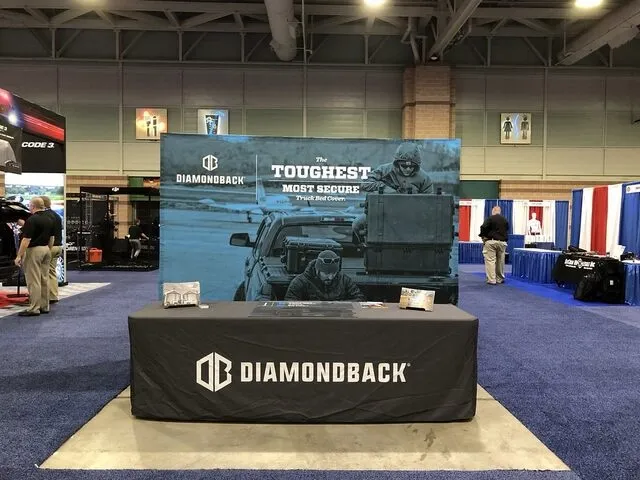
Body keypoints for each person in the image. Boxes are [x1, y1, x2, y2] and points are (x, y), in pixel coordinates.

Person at [14, 196, 54, 316]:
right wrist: (48, 250)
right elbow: (52, 238)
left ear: (32, 206)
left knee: (33, 280)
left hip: (34, 250)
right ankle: (44, 306)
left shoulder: (32, 220)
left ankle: (34, 308)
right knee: (44, 279)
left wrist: (18, 256)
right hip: (46, 249)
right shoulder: (49, 219)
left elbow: (26, 240)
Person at [284, 250, 365, 301]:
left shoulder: (344, 280)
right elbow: (290, 304)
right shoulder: (300, 282)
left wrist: (339, 306)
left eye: (334, 273)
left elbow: (359, 298)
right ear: (317, 270)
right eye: (326, 273)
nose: (330, 277)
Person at [361, 143, 433, 194]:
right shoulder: (384, 170)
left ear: (416, 166)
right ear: (398, 164)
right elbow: (365, 184)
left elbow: (429, 201)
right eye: (404, 166)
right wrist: (384, 188)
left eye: (411, 166)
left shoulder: (424, 179)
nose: (408, 169)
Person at [41, 196, 63, 304]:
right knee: (52, 272)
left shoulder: (45, 217)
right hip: (58, 246)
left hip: (49, 247)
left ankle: (44, 297)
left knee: (43, 273)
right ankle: (53, 295)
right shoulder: (57, 216)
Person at [480, 205, 509, 285]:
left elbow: (483, 227)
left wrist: (484, 238)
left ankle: (492, 280)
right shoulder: (505, 220)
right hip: (502, 243)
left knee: (490, 261)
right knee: (500, 261)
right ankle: (499, 278)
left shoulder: (490, 218)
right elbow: (506, 230)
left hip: (491, 242)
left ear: (493, 211)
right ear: (500, 212)